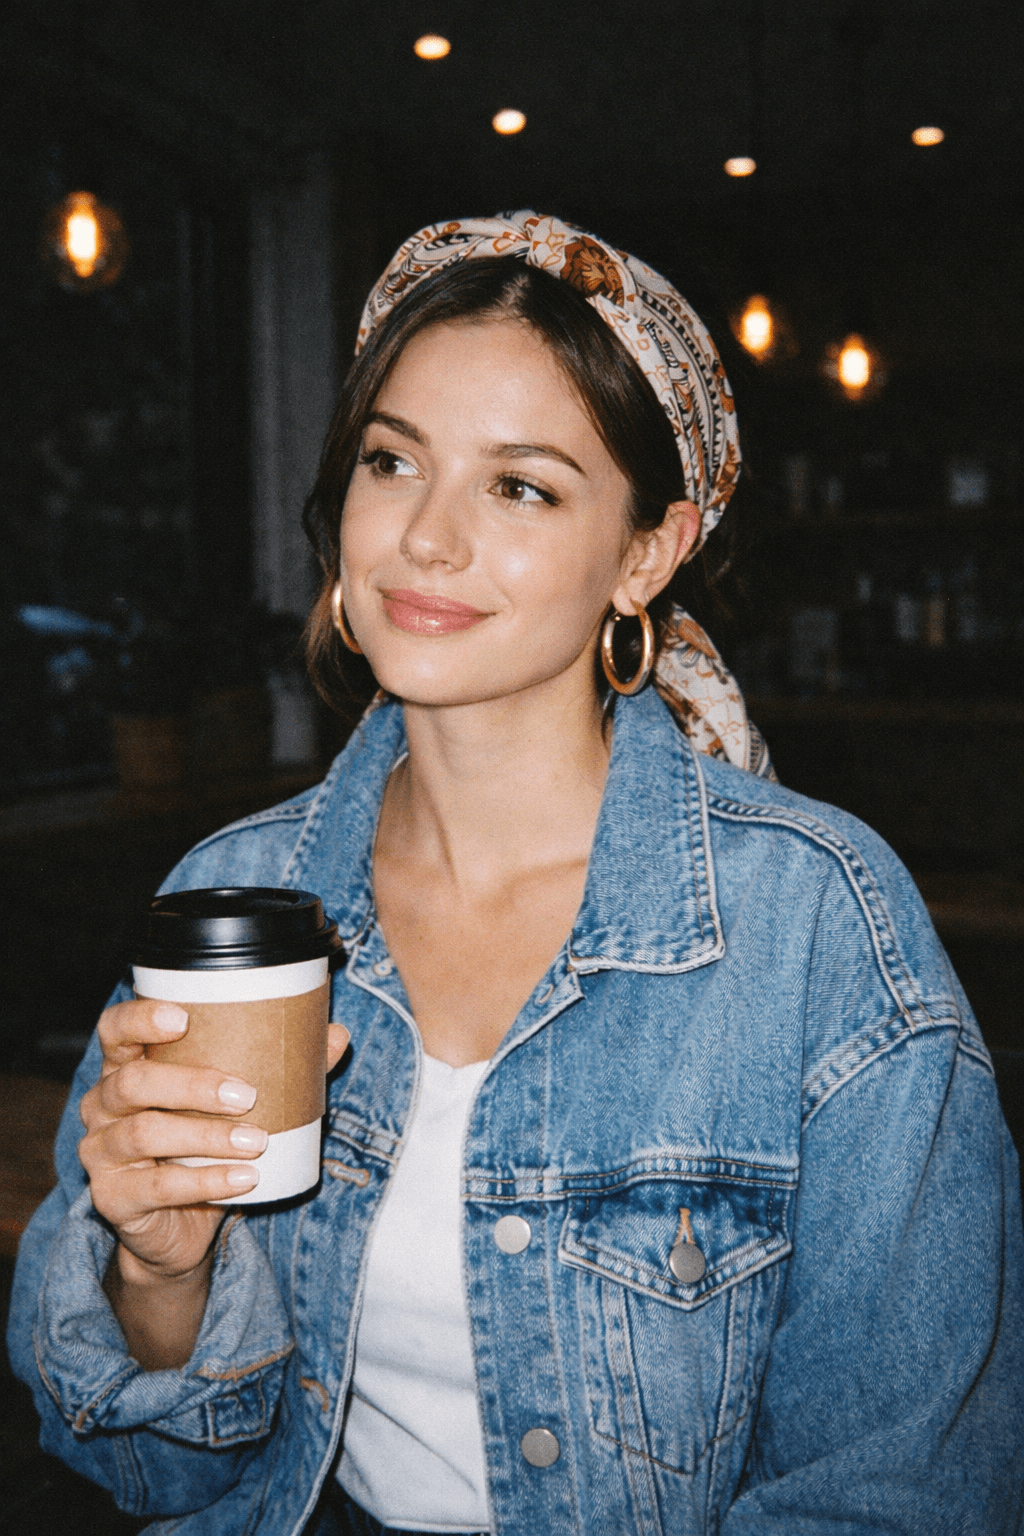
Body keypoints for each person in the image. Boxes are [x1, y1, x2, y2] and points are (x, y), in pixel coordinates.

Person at [8, 212, 1023, 1536]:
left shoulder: (817, 922)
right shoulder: (237, 895)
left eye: (522, 486)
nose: (425, 540)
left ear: (647, 554)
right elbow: (153, 1473)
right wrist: (159, 1270)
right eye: (392, 462)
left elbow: (910, 1492)